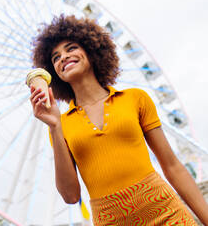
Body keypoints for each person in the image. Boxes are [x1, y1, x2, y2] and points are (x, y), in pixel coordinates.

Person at [29, 14, 208, 225]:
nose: (63, 58)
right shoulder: (61, 125)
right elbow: (70, 196)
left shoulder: (135, 99)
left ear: (91, 50)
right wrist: (55, 126)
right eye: (56, 58)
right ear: (54, 73)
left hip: (167, 213)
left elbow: (173, 167)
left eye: (71, 48)